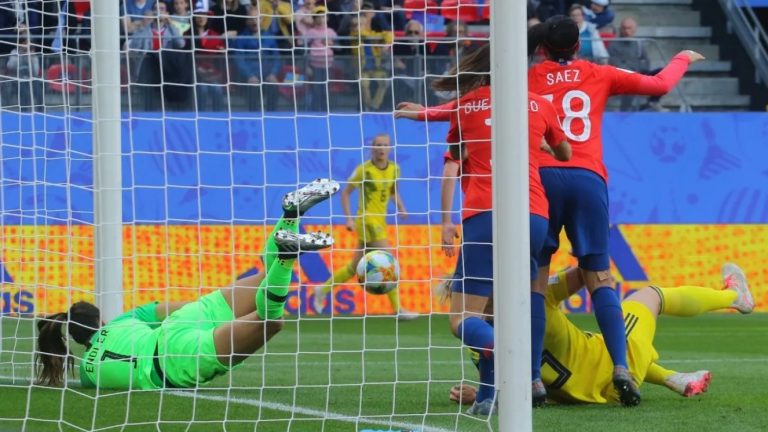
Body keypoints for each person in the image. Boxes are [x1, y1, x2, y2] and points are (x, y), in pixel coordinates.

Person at [528, 15, 705, 406]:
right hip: (588, 179)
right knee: (600, 277)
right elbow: (659, 85)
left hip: (541, 180)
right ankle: (621, 367)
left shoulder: (527, 78)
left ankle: (531, 380)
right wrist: (681, 59)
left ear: (541, 47)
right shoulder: (598, 71)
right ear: (579, 45)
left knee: (536, 285)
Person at [35, 179, 340, 389]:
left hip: (173, 360)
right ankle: (289, 214)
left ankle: (287, 255)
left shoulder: (88, 374)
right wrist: (215, 313)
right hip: (182, 322)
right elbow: (174, 309)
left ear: (73, 338)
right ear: (102, 319)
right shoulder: (123, 321)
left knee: (270, 320)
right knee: (264, 278)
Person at [396, 64, 572, 410]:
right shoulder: (538, 104)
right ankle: (490, 395)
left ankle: (507, 353)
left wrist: (422, 114)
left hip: (485, 215)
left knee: (464, 319)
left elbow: (449, 152)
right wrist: (545, 147)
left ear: (480, 76)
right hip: (535, 216)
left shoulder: (468, 105)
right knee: (506, 307)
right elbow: (566, 153)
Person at [448, 262, 755, 405]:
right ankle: (734, 297)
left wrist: (486, 395)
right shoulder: (531, 294)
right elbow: (586, 271)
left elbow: (515, 387)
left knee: (585, 341)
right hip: (613, 369)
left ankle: (673, 377)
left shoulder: (478, 341)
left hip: (584, 395)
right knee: (650, 296)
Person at [313, 134, 416, 319]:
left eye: (385, 145)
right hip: (366, 220)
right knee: (388, 261)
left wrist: (401, 207)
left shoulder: (395, 169)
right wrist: (349, 219)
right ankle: (398, 310)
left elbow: (392, 191)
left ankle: (322, 289)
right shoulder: (363, 170)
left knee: (354, 267)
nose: (381, 148)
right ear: (372, 148)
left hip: (381, 221)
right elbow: (345, 194)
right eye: (377, 145)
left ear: (390, 148)